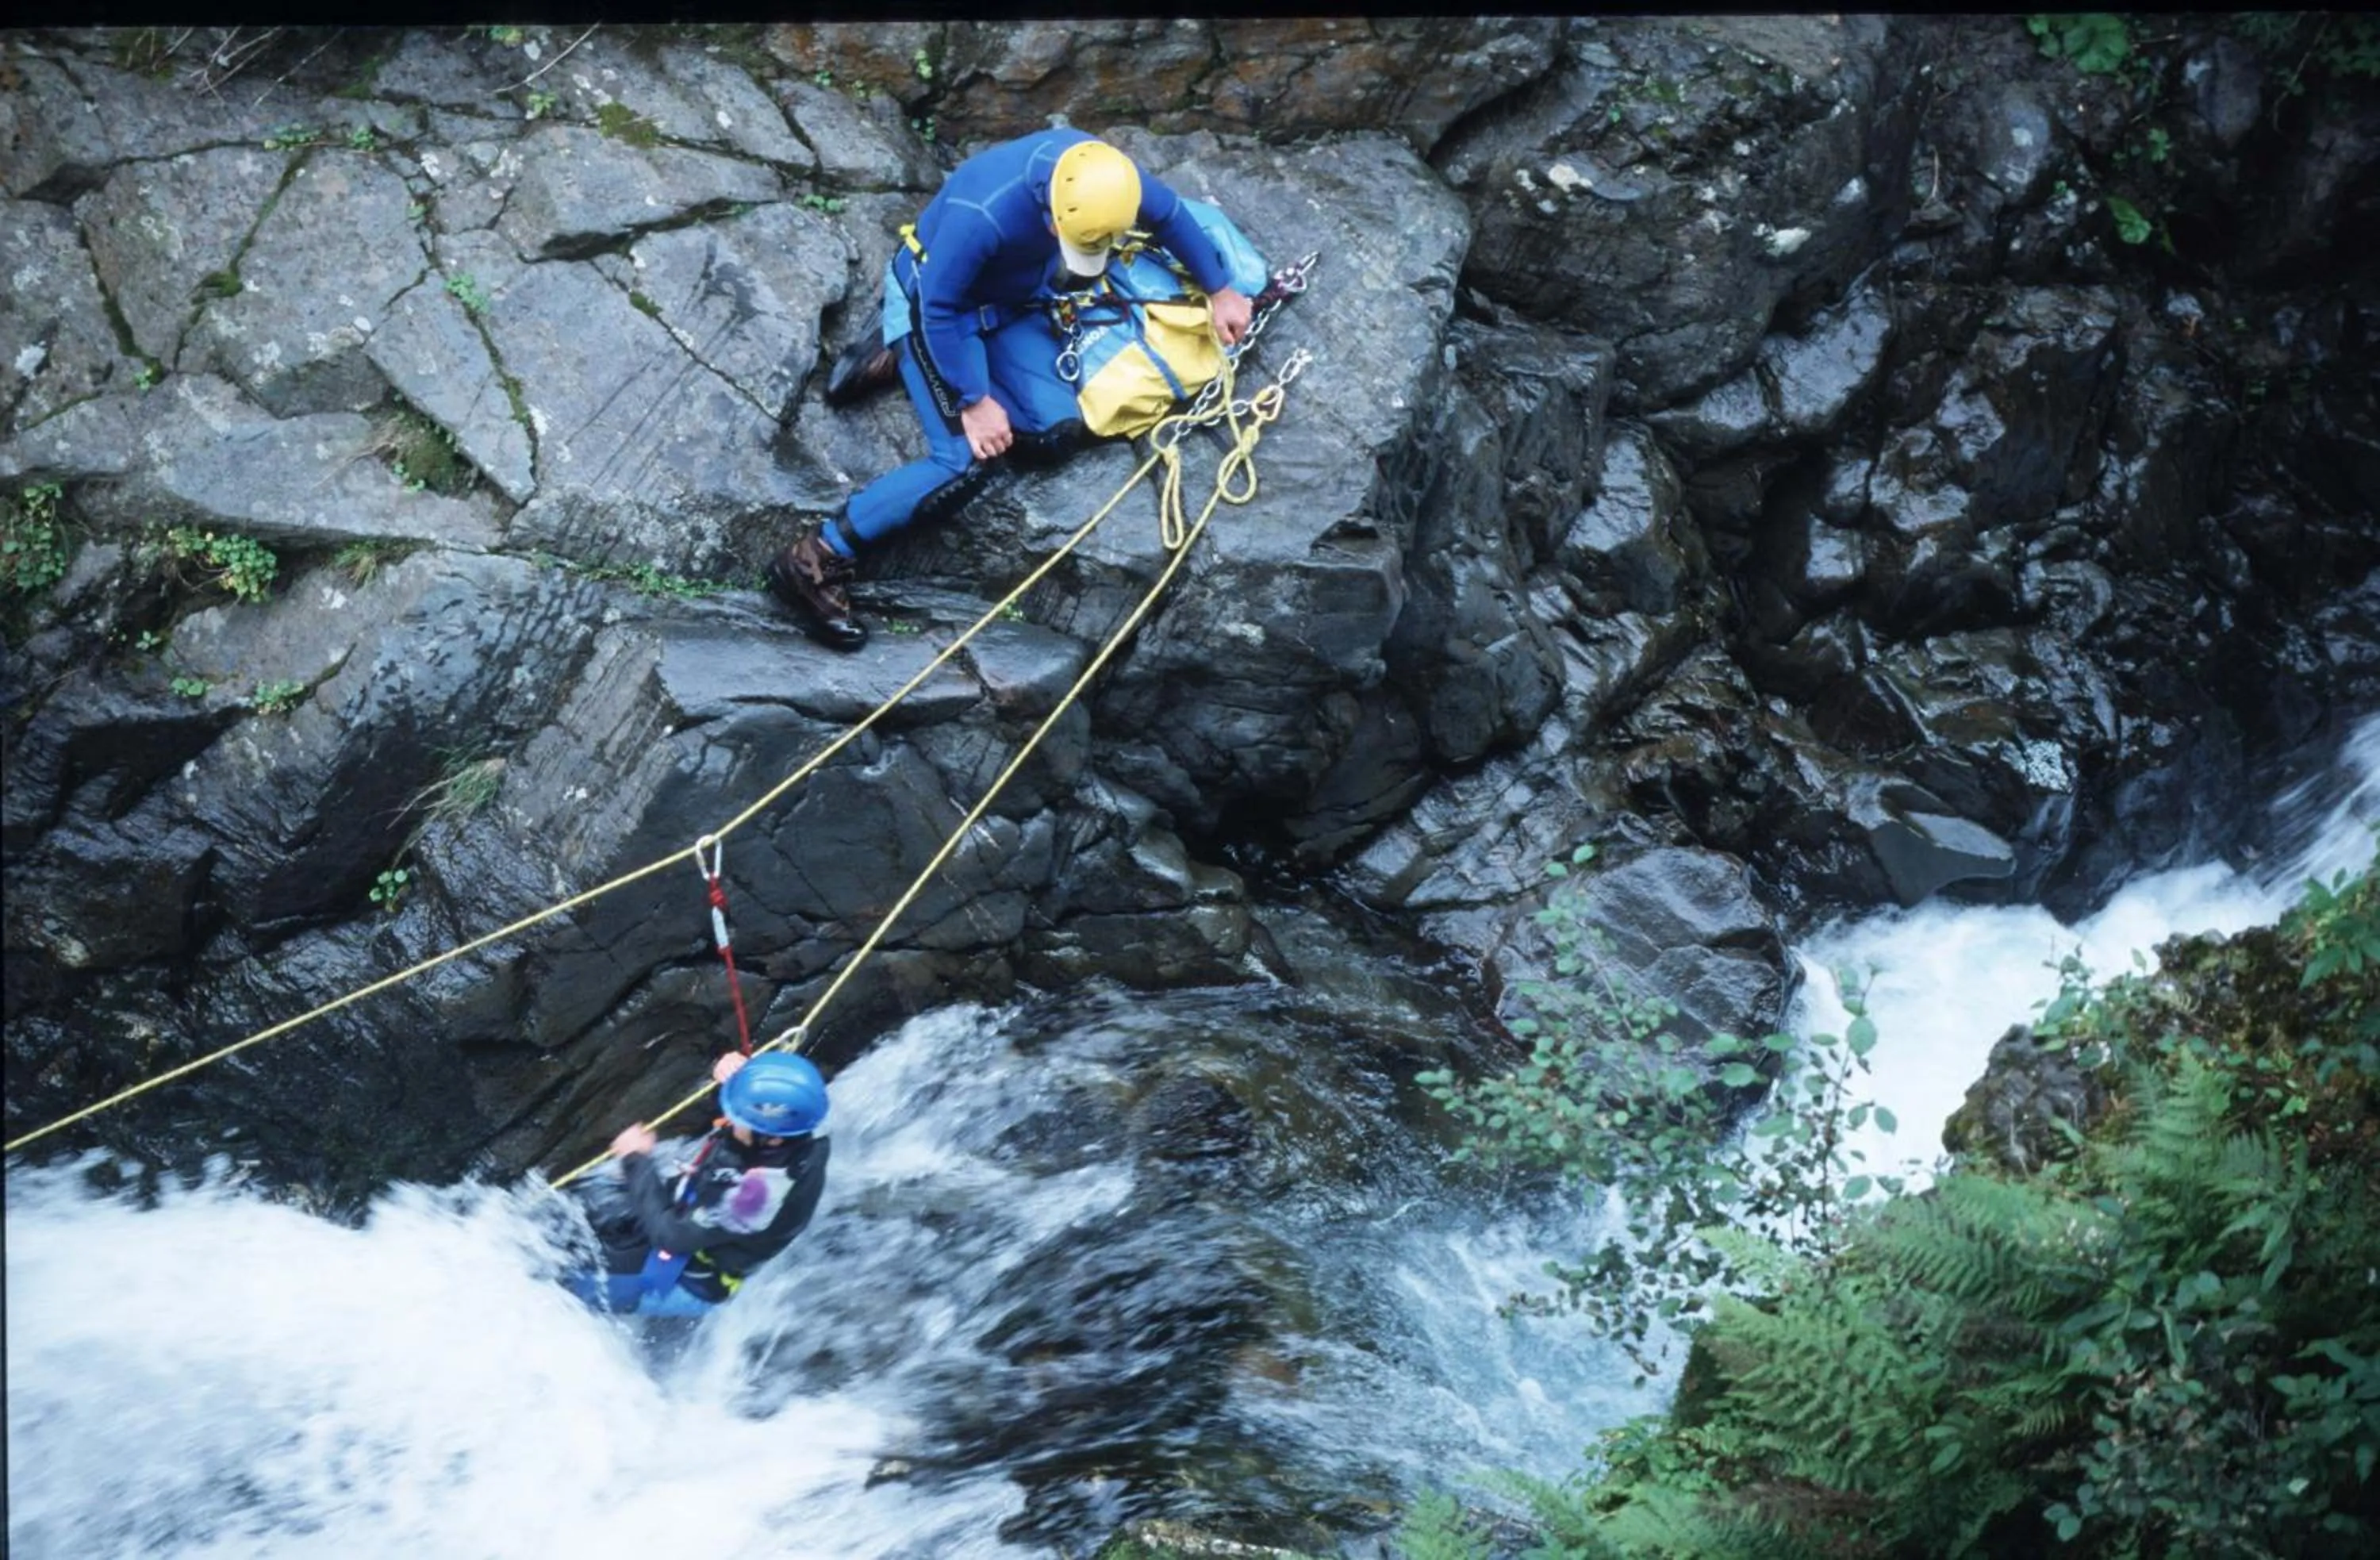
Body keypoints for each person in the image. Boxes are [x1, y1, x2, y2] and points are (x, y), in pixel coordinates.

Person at [770, 128, 1257, 651]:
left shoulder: (1105, 178)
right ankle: (815, 557)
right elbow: (937, 307)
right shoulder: (982, 216)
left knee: (1050, 434)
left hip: (1008, 299)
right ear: (1051, 219)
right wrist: (973, 400)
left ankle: (903, 354)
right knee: (966, 461)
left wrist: (1218, 289)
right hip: (937, 308)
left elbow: (1168, 217)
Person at [565, 1050, 831, 1318]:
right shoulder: (799, 1132)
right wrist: (735, 1077)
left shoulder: (754, 1198)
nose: (731, 1119)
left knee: (565, 1281)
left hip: (689, 1276)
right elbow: (769, 1107)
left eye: (739, 1117)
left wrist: (636, 1160)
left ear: (771, 1139)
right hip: (696, 1212)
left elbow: (672, 1238)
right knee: (581, 1208)